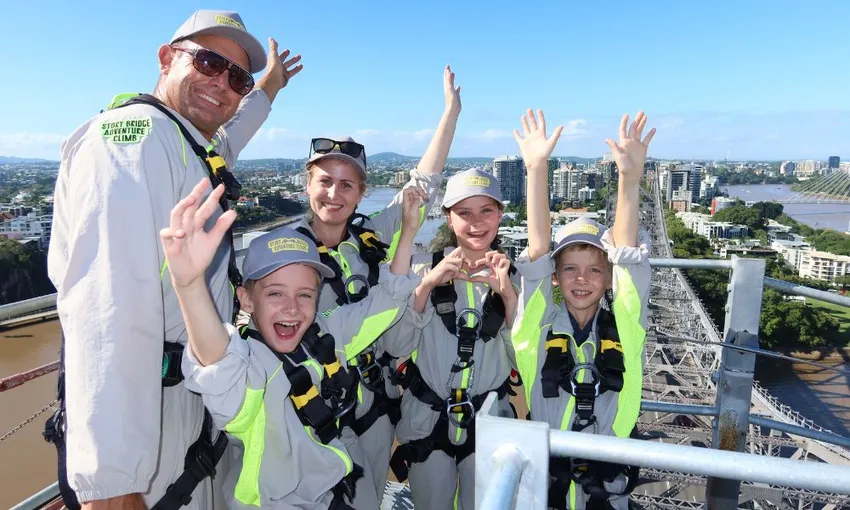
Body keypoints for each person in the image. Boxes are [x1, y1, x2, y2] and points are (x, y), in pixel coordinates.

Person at [45, 10, 302, 509]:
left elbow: (233, 128)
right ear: (166, 59)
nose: (222, 84)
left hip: (186, 397)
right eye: (207, 61)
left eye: (236, 77)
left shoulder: (186, 140)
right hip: (146, 418)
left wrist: (267, 86)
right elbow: (105, 311)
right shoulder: (132, 141)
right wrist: (113, 484)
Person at [159, 178, 423, 509]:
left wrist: (409, 231)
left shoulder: (324, 333)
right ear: (246, 300)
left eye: (305, 294)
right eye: (275, 293)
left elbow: (384, 302)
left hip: (330, 495)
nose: (291, 307)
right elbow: (217, 365)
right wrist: (189, 285)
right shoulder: (251, 368)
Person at [290, 65, 463, 501]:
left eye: (347, 184)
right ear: (307, 184)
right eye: (325, 181)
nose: (334, 194)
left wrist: (450, 114)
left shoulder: (369, 239)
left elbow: (419, 190)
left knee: (366, 498)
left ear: (361, 193)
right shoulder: (286, 252)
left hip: (373, 404)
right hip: (311, 407)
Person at [511, 109, 655, 509]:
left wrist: (630, 180)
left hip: (606, 487)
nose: (581, 279)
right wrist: (536, 169)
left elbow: (626, 262)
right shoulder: (536, 330)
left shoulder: (625, 329)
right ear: (555, 277)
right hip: (548, 485)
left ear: (608, 279)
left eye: (595, 270)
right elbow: (537, 257)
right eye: (569, 269)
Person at [389, 167, 520, 510]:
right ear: (449, 219)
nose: (476, 223)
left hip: (488, 419)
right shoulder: (423, 272)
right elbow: (397, 347)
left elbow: (526, 363)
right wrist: (427, 286)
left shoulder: (515, 281)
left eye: (485, 211)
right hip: (428, 418)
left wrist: (508, 298)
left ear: (500, 215)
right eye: (464, 213)